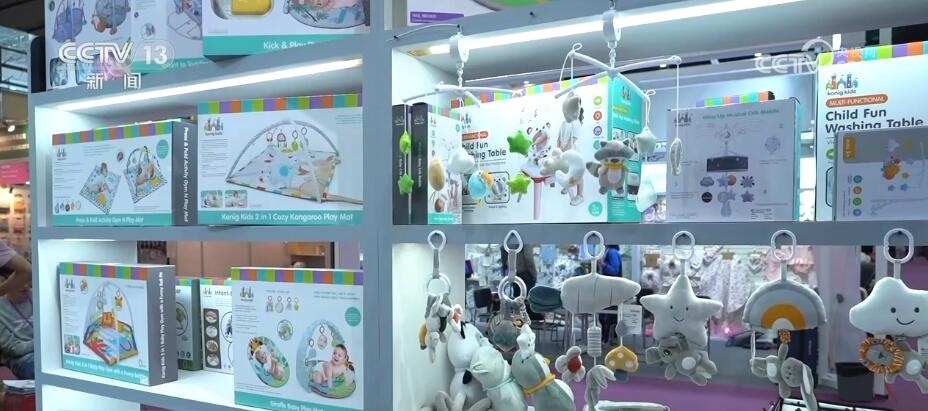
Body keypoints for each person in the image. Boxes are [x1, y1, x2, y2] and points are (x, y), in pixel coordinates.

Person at [0, 273, 32, 379]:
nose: (26, 286)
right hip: (22, 359)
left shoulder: (38, 295)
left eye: (27, 280)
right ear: (5, 283)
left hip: (46, 351)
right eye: (20, 281)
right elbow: (14, 349)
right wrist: (43, 343)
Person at [499, 245, 543, 321]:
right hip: (525, 272)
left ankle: (517, 323)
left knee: (517, 302)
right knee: (525, 302)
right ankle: (524, 323)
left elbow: (503, 248)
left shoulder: (510, 240)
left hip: (514, 271)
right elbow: (528, 256)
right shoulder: (526, 239)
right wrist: (534, 273)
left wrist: (505, 265)